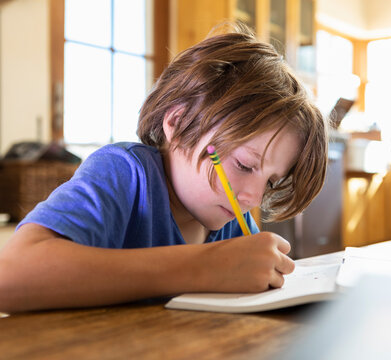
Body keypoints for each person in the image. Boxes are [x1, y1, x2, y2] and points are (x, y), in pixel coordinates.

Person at [0, 23, 328, 313]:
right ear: (178, 122)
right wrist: (204, 268)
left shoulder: (229, 218)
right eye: (243, 165)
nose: (252, 198)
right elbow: (10, 275)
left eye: (270, 181)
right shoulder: (124, 173)